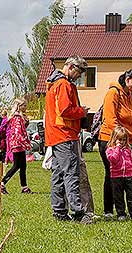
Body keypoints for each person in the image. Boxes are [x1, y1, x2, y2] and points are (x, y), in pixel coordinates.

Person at [45, 55, 91, 223]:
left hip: (55, 135)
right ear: (71, 67)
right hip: (65, 134)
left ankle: (59, 212)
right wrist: (82, 112)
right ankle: (78, 213)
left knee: (57, 174)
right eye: (79, 72)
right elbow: (65, 110)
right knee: (71, 174)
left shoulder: (53, 83)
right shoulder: (64, 84)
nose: (80, 76)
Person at [98, 68, 132, 219]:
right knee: (111, 175)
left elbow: (130, 116)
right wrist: (126, 136)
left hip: (128, 140)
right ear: (127, 79)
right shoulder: (113, 93)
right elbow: (111, 120)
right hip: (110, 139)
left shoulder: (131, 95)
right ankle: (109, 210)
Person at [105, 126, 132, 221]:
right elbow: (113, 160)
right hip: (116, 177)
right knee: (118, 197)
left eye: (124, 139)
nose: (121, 142)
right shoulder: (110, 150)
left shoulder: (128, 150)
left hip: (129, 176)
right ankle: (121, 213)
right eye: (119, 139)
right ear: (114, 139)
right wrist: (117, 148)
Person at [0, 98, 32, 195]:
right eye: (24, 105)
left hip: (19, 144)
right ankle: (1, 184)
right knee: (16, 166)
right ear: (19, 106)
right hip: (17, 144)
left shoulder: (20, 117)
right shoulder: (16, 118)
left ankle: (24, 187)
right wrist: (26, 143)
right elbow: (18, 133)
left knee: (23, 166)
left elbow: (23, 130)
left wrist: (26, 122)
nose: (26, 107)